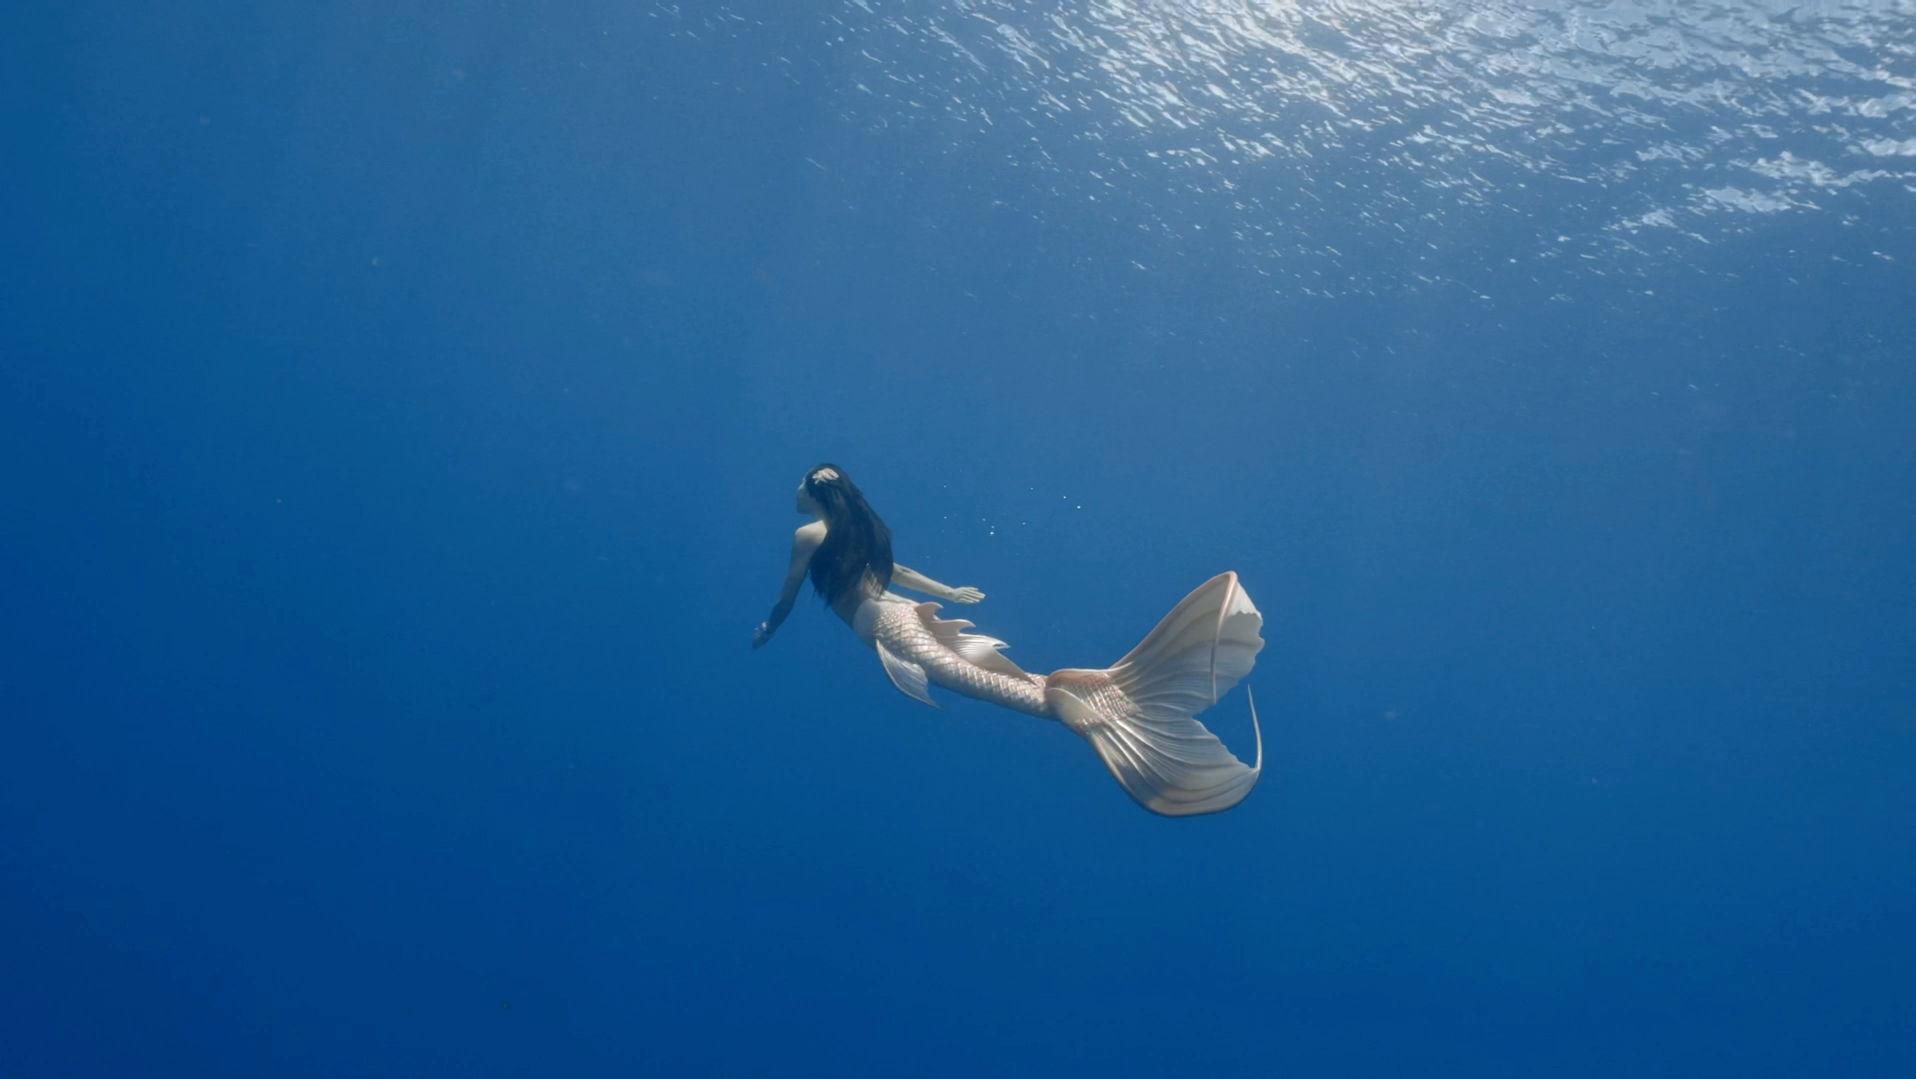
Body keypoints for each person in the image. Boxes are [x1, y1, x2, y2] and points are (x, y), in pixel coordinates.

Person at [754, 464, 1264, 817]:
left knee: (960, 676)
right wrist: (947, 590)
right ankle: (1076, 688)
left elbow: (790, 592)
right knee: (973, 670)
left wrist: (771, 626)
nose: (794, 491)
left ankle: (1080, 706)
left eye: (801, 485)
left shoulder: (809, 536)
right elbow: (898, 571)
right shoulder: (859, 530)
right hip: (899, 611)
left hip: (880, 623)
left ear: (817, 493)